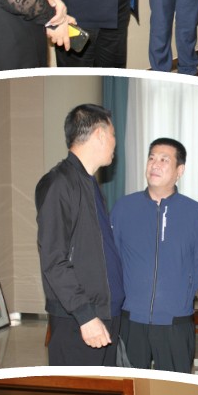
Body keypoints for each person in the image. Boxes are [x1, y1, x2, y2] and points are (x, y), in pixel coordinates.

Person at [110, 138, 198, 373]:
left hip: (175, 321)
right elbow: (112, 258)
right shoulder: (124, 208)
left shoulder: (194, 213)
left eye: (164, 160)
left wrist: (182, 293)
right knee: (132, 386)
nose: (155, 164)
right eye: (151, 158)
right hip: (131, 319)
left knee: (175, 389)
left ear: (179, 170)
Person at [35, 104, 122, 366]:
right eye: (113, 135)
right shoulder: (59, 183)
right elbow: (54, 259)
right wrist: (85, 315)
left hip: (103, 312)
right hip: (80, 319)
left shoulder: (89, 182)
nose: (115, 143)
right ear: (100, 135)